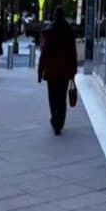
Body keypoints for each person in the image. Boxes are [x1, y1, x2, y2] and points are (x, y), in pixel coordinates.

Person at [37, 7, 77, 135]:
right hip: (64, 70)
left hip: (51, 70)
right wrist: (73, 70)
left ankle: (55, 117)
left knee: (52, 96)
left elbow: (44, 53)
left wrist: (40, 71)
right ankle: (59, 121)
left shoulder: (49, 31)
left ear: (54, 15)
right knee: (61, 97)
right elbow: (73, 53)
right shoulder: (68, 31)